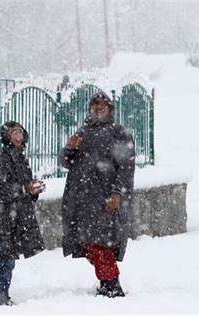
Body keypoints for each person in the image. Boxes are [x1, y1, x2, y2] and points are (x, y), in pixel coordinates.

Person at [59, 91, 135, 298]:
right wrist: (68, 149)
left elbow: (126, 168)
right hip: (81, 198)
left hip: (104, 197)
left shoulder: (118, 133)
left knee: (103, 242)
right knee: (85, 242)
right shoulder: (82, 132)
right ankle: (105, 280)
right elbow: (66, 163)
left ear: (110, 110)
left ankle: (112, 284)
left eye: (102, 105)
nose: (98, 108)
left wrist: (117, 193)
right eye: (95, 105)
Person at [0, 121, 46, 306]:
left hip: (13, 218)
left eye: (20, 133)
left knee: (8, 260)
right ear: (6, 137)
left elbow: (24, 187)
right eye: (14, 133)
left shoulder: (20, 158)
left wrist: (33, 191)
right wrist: (24, 188)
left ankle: (3, 297)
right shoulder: (0, 159)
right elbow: (1, 191)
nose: (18, 137)